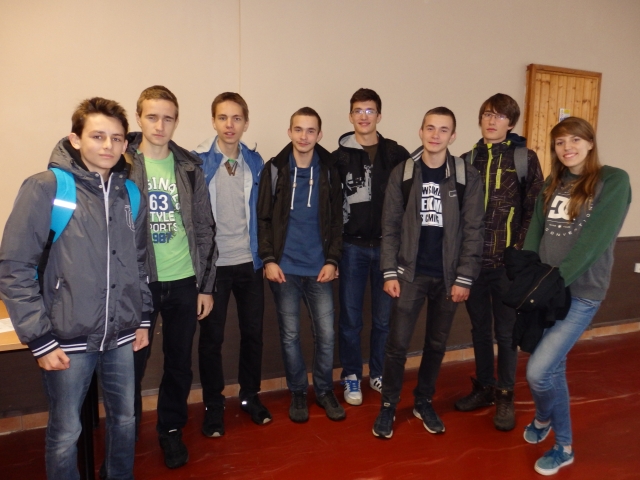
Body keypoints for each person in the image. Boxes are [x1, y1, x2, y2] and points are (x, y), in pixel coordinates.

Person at [0, 97, 153, 480]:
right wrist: (39, 338)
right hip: (66, 337)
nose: (108, 146)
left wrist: (143, 317)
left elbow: (139, 262)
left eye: (116, 138)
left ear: (125, 144)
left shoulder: (131, 194)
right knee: (67, 431)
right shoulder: (47, 188)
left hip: (121, 333)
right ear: (75, 139)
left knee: (125, 419)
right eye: (97, 136)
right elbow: (14, 267)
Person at [521, 117, 630, 475]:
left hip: (580, 293)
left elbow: (595, 241)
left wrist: (553, 282)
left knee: (539, 372)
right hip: (546, 290)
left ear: (590, 142)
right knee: (553, 369)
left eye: (575, 140)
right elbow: (536, 232)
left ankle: (555, 434)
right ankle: (554, 432)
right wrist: (527, 275)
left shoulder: (613, 180)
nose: (567, 147)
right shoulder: (553, 182)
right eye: (560, 142)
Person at [372, 107, 484, 439]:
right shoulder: (404, 173)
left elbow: (474, 230)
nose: (436, 135)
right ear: (420, 132)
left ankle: (423, 401)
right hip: (410, 274)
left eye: (443, 129)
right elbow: (390, 227)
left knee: (436, 344)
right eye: (430, 128)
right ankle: (388, 405)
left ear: (453, 136)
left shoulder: (466, 176)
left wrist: (464, 277)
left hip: (448, 278)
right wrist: (389, 272)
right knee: (397, 345)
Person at [128, 85, 217, 469]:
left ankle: (170, 429)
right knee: (131, 365)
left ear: (176, 121)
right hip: (139, 283)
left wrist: (205, 286)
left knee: (179, 362)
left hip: (183, 280)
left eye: (167, 118)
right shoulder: (123, 164)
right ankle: (125, 433)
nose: (160, 125)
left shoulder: (189, 167)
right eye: (152, 116)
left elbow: (205, 228)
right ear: (139, 118)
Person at [456, 93, 544, 431]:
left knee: (506, 333)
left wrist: (517, 253)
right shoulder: (466, 160)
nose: (492, 121)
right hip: (473, 266)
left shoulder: (524, 158)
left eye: (500, 116)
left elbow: (533, 211)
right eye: (487, 115)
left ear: (511, 123)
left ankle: (506, 394)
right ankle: (484, 388)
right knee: (479, 329)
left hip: (507, 267)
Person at [257, 107, 344, 423]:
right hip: (285, 270)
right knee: (290, 335)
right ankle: (297, 391)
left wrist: (333, 259)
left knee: (327, 335)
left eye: (310, 131)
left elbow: (337, 221)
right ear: (289, 132)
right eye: (298, 129)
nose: (304, 136)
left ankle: (324, 390)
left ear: (319, 135)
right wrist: (268, 259)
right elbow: (263, 219)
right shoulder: (274, 169)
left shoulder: (330, 170)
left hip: (320, 270)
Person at [193, 92, 270, 437]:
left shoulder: (255, 161)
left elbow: (263, 213)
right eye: (223, 117)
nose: (230, 124)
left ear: (246, 123)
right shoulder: (198, 162)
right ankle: (214, 405)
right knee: (212, 339)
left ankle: (250, 396)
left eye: (237, 118)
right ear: (213, 121)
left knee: (253, 334)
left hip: (249, 263)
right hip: (214, 267)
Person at [332, 88, 410, 405]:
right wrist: (332, 254)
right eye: (358, 110)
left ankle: (378, 372)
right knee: (351, 319)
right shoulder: (337, 158)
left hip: (387, 250)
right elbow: (330, 209)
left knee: (383, 319)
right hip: (351, 248)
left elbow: (410, 202)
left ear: (379, 115)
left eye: (370, 110)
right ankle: (351, 375)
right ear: (350, 116)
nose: (364, 116)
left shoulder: (397, 154)